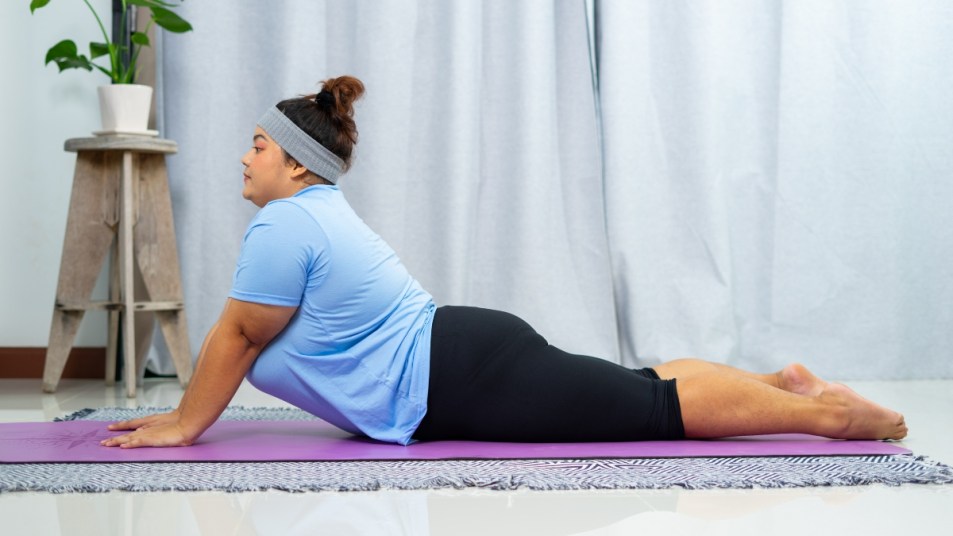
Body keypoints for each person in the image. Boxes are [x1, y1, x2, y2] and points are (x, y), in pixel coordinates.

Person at [101, 75, 908, 449]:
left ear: (298, 164)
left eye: (258, 146)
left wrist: (182, 424)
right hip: (459, 362)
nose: (244, 159)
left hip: (461, 373)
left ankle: (833, 417)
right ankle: (778, 383)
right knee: (641, 389)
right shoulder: (305, 215)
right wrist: (184, 414)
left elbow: (238, 338)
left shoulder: (286, 226)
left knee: (653, 412)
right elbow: (238, 336)